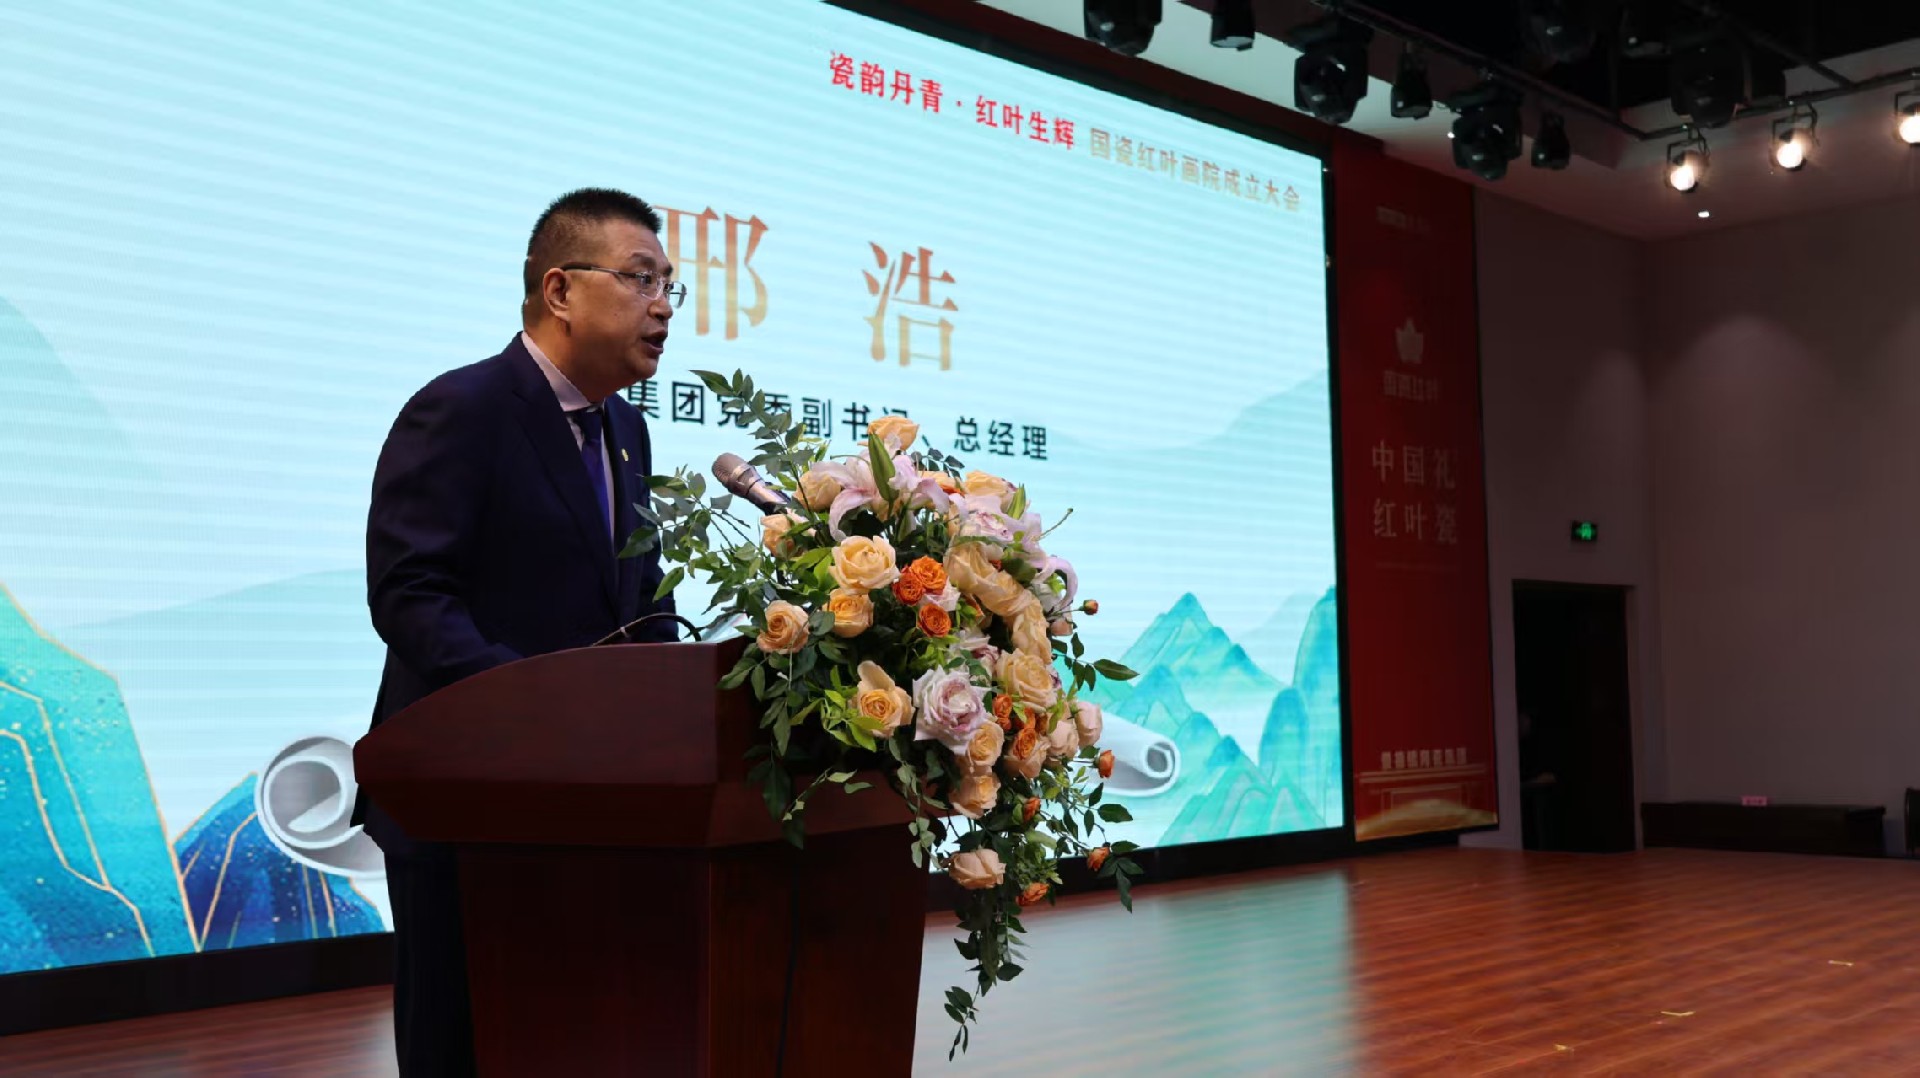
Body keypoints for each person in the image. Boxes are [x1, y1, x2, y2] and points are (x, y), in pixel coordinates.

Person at [355, 188, 683, 1076]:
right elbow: (410, 593)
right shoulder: (463, 407)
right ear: (560, 289)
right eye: (641, 279)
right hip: (464, 802)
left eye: (670, 286)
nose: (662, 306)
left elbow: (640, 601)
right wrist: (535, 704)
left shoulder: (626, 429)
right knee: (463, 1048)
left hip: (585, 807)